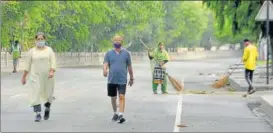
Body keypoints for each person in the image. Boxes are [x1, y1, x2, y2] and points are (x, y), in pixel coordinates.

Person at [21, 32, 56, 122]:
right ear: (35, 40)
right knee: (35, 94)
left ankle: (47, 107)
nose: (40, 41)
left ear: (45, 40)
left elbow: (53, 61)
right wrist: (24, 77)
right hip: (35, 76)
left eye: (42, 39)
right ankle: (38, 114)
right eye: (38, 39)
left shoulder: (49, 50)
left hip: (47, 77)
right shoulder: (32, 52)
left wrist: (52, 71)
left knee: (48, 94)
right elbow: (27, 65)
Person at [103, 35, 134, 124]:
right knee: (113, 98)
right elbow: (105, 63)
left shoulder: (126, 54)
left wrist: (131, 78)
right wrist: (104, 70)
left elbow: (129, 66)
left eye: (119, 40)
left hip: (122, 79)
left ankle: (120, 114)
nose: (117, 42)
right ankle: (115, 113)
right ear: (113, 42)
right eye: (116, 40)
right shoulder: (109, 53)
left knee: (121, 96)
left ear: (122, 42)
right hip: (111, 80)